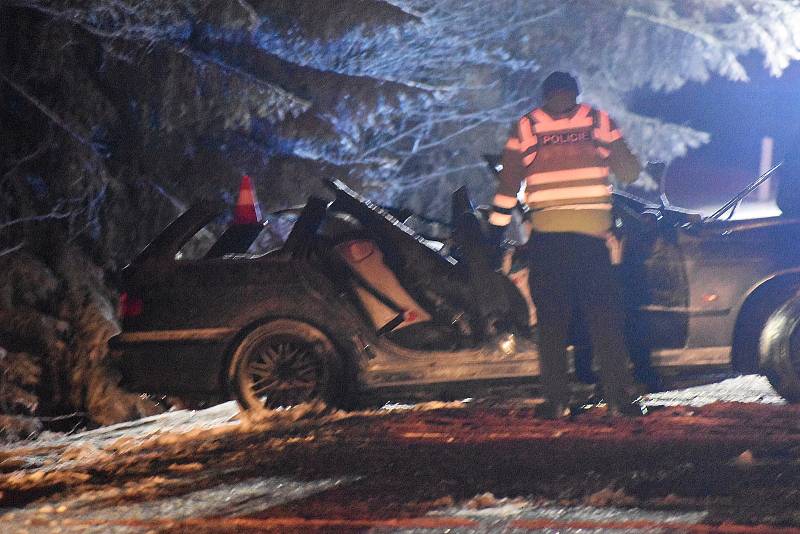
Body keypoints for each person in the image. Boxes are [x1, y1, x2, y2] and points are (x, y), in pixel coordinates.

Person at [488, 71, 645, 418]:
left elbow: (508, 183)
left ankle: (557, 402)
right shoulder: (598, 121)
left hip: (548, 243)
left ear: (545, 96)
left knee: (552, 325)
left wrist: (495, 229)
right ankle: (618, 401)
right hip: (592, 244)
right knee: (605, 321)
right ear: (575, 94)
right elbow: (630, 172)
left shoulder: (526, 126)